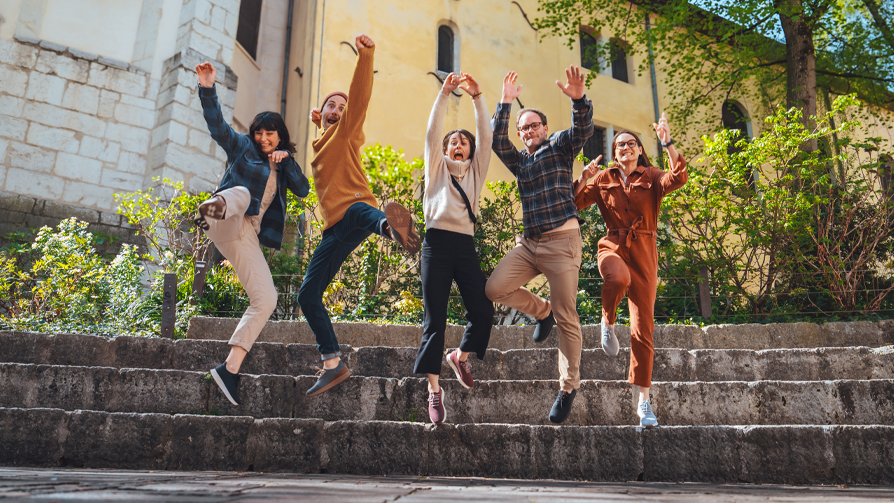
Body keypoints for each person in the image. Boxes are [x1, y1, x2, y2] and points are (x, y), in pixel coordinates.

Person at [299, 33, 420, 397]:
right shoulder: (321, 143)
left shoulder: (347, 132)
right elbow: (324, 136)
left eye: (341, 106)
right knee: (307, 294)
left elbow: (359, 96)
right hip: (332, 231)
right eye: (330, 106)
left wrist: (365, 57)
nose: (336, 109)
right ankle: (333, 364)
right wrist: (319, 120)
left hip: (356, 210)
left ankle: (392, 228)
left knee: (360, 211)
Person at [193, 61, 310, 407]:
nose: (262, 137)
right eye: (259, 131)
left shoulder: (284, 165)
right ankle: (207, 209)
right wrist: (207, 88)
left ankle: (229, 369)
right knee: (243, 194)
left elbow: (303, 190)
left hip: (244, 236)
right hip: (223, 214)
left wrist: (287, 161)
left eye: (269, 132)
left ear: (280, 135)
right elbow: (218, 127)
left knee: (267, 299)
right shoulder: (242, 147)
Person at [485, 68, 593, 424]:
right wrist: (503, 102)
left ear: (544, 129)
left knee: (568, 317)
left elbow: (583, 130)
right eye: (523, 128)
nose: (528, 131)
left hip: (562, 244)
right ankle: (539, 311)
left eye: (533, 126)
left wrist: (578, 99)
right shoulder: (520, 161)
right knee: (495, 288)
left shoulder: (560, 146)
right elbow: (497, 141)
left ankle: (567, 387)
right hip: (530, 245)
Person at [572, 113, 688, 427]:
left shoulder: (651, 175)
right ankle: (607, 321)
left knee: (643, 330)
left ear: (638, 149)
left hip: (644, 251)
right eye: (620, 144)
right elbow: (572, 202)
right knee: (616, 277)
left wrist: (668, 142)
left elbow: (678, 176)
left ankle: (644, 402)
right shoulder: (603, 178)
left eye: (631, 144)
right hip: (612, 244)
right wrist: (584, 177)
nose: (626, 148)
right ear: (614, 151)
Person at [416, 72, 495, 424]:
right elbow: (432, 131)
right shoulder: (435, 168)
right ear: (446, 149)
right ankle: (434, 391)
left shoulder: (476, 171)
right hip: (435, 244)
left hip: (464, 246)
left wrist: (478, 98)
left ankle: (459, 356)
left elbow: (486, 137)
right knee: (435, 320)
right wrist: (445, 94)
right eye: (454, 141)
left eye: (465, 141)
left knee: (483, 311)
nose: (459, 144)